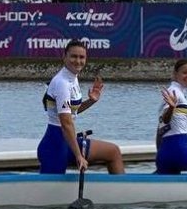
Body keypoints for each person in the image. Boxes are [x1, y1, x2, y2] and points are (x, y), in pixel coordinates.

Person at [37, 40, 125, 174]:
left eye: (81, 57)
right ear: (64, 57)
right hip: (55, 145)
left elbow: (71, 112)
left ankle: (121, 192)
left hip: (67, 141)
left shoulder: (73, 78)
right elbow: (66, 123)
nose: (78, 61)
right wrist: (79, 156)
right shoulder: (62, 84)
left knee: (113, 152)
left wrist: (91, 101)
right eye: (73, 56)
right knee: (52, 194)